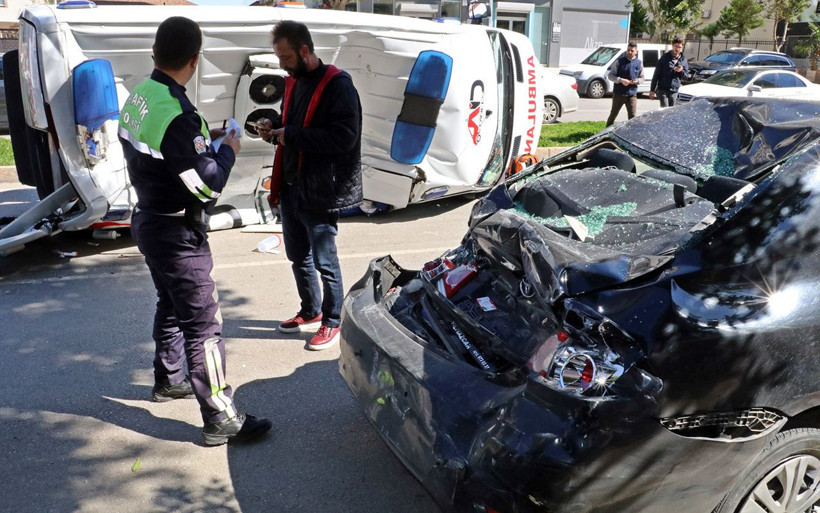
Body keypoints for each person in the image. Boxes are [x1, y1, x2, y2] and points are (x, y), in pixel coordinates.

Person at [118, 16, 272, 446]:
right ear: (195, 59)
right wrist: (229, 149)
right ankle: (220, 415)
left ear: (154, 53)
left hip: (147, 220)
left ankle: (169, 380)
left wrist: (208, 135)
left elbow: (162, 146)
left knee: (170, 304)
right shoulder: (178, 115)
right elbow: (206, 182)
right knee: (204, 325)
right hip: (175, 232)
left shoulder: (142, 96)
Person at [255, 21, 362, 352]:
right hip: (291, 185)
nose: (282, 63)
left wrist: (292, 134)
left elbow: (345, 137)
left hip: (320, 188)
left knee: (324, 260)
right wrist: (274, 126)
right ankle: (310, 311)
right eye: (278, 57)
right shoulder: (294, 82)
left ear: (304, 50)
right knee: (297, 255)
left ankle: (333, 320)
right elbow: (295, 124)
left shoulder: (338, 85)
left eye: (285, 56)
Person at [605, 42, 644, 127]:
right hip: (619, 93)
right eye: (628, 50)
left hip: (632, 94)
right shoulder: (619, 61)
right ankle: (606, 131)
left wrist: (637, 81)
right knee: (613, 114)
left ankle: (631, 133)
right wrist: (620, 80)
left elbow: (642, 78)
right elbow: (610, 75)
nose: (629, 52)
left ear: (636, 52)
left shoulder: (639, 63)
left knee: (632, 117)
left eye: (632, 50)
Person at [650, 37, 688, 108]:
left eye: (679, 47)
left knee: (671, 111)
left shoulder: (683, 59)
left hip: (674, 90)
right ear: (672, 46)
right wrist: (652, 90)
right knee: (665, 109)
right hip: (663, 89)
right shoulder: (664, 57)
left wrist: (681, 71)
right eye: (675, 46)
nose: (677, 49)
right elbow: (656, 74)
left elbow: (686, 77)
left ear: (682, 47)